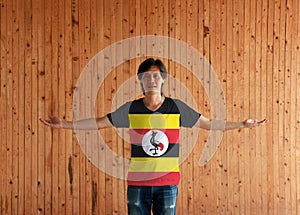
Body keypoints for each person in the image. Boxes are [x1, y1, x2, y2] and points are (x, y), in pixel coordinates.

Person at [40, 58, 268, 215]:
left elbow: (207, 124)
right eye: (147, 76)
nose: (152, 80)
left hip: (167, 185)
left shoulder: (176, 107)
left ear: (163, 80)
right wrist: (65, 125)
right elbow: (99, 123)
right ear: (141, 80)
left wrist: (241, 124)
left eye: (156, 76)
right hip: (137, 185)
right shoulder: (130, 109)